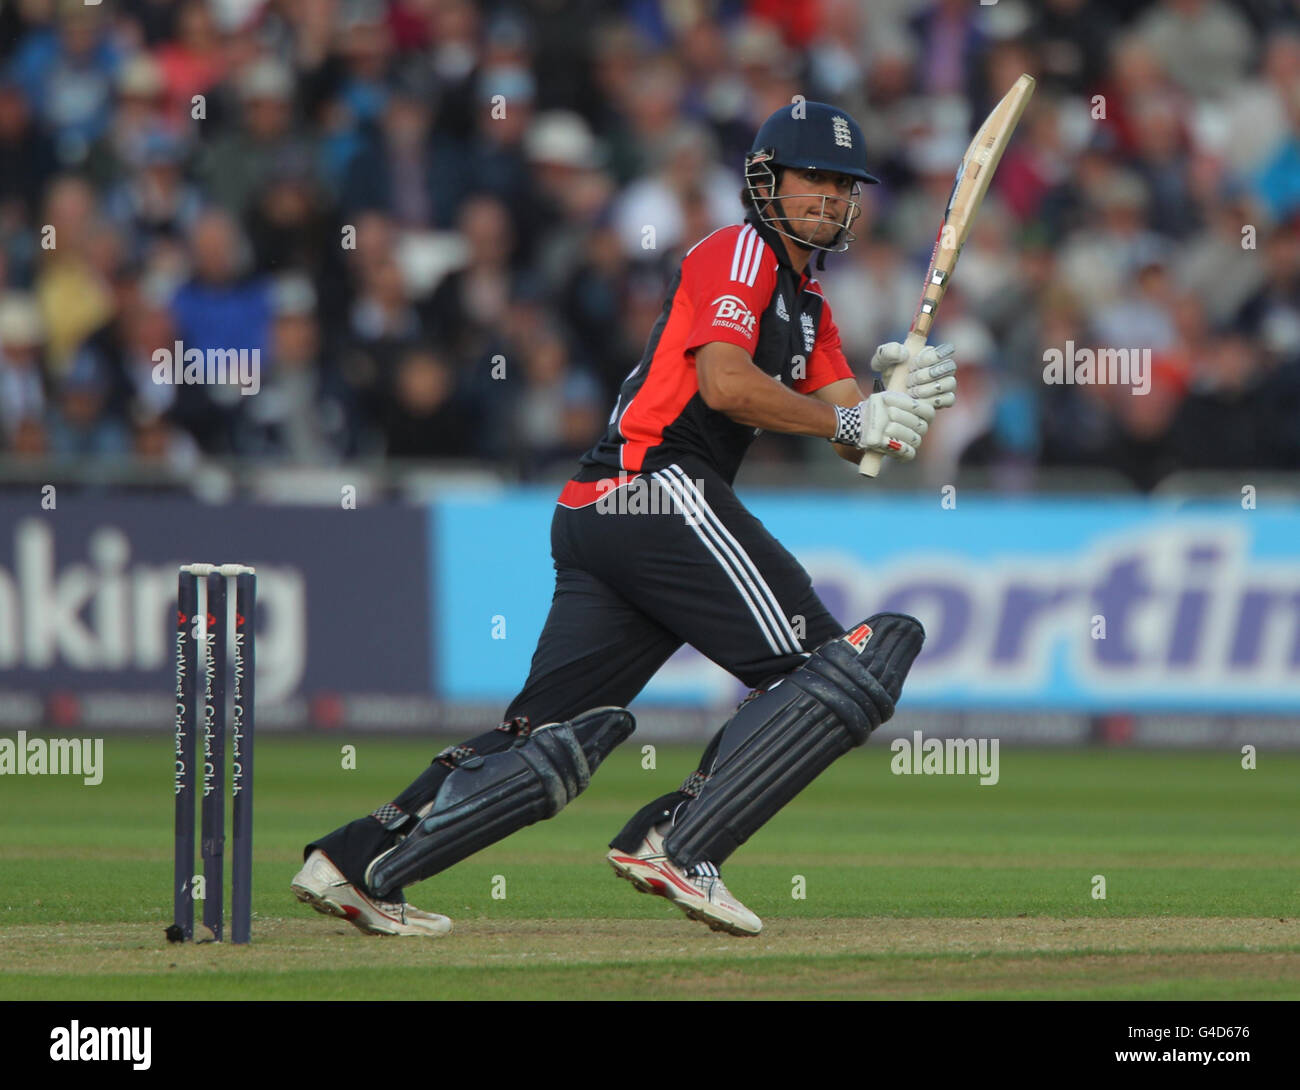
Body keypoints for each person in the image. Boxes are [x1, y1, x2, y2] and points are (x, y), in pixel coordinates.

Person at [291, 103, 957, 936]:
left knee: (550, 741)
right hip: (658, 486)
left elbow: (856, 435)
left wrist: (899, 397)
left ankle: (355, 863)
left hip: (604, 512)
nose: (828, 197)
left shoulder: (811, 306)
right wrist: (855, 421)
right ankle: (680, 841)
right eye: (813, 177)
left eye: (843, 185)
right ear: (766, 179)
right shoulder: (737, 251)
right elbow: (725, 384)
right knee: (832, 671)